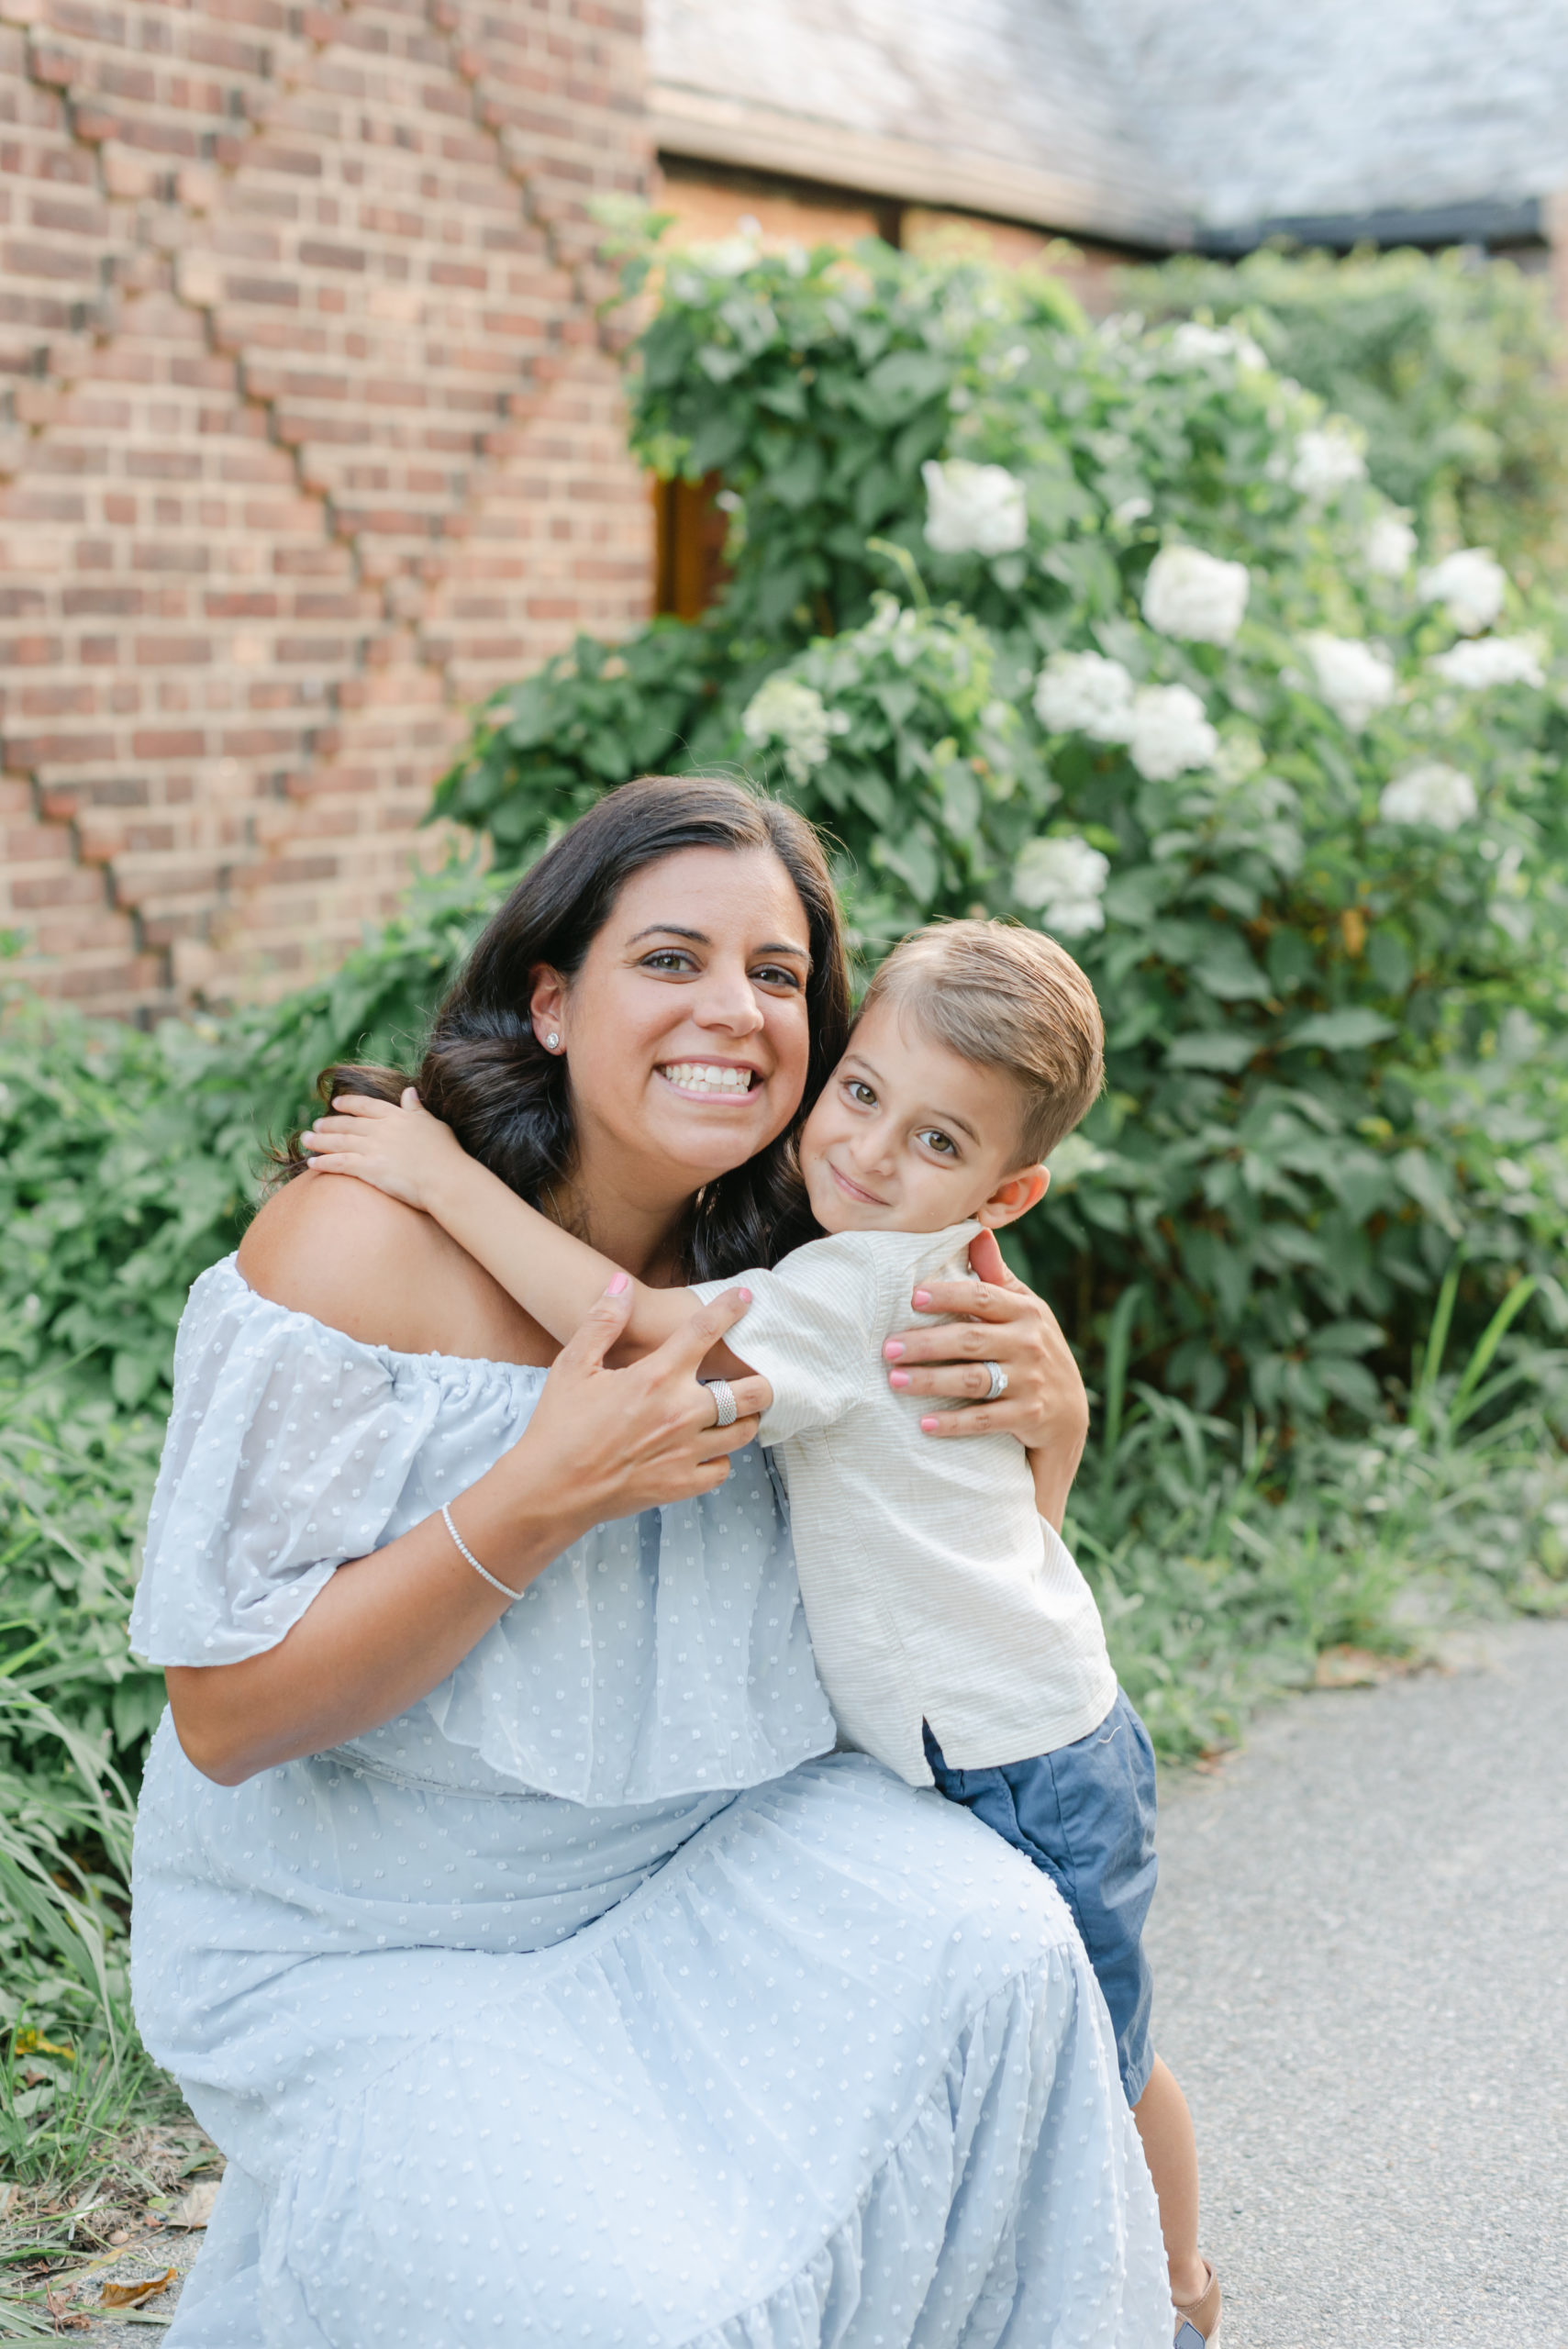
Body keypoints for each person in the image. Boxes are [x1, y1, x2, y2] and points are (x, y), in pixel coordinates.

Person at [128, 775, 1172, 2347]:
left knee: (1014, 1948)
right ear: (550, 1000)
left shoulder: (807, 1258)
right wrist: (531, 1501)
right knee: (637, 2305)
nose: (734, 1013)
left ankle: (1157, 2296)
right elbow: (224, 1718)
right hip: (381, 1940)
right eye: (671, 959)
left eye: (775, 977)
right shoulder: (351, 1248)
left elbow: (946, 1575)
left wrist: (1051, 1428)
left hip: (703, 1857)